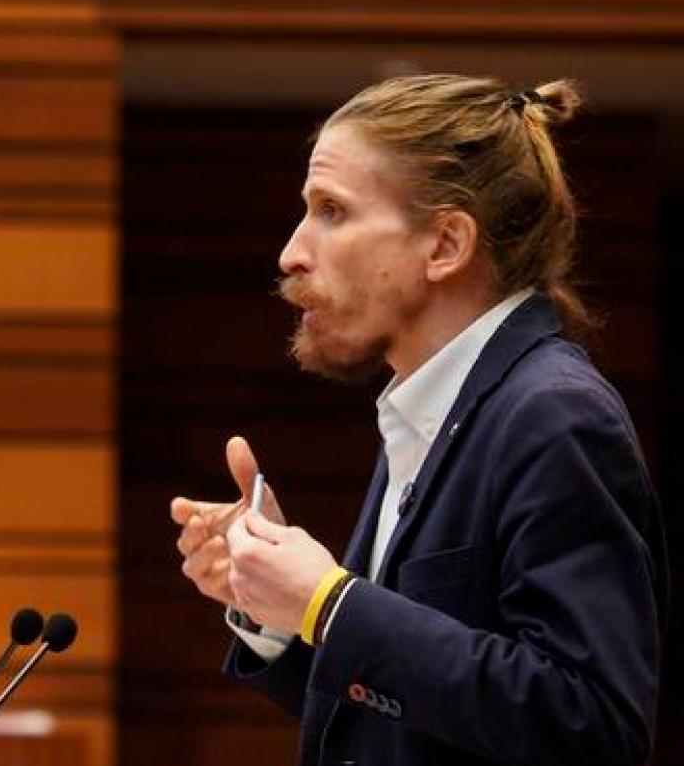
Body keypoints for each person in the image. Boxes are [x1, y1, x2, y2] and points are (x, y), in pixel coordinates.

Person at [171, 74, 669, 766]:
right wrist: (280, 610)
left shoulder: (552, 413)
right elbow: (401, 716)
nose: (292, 252)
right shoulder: (437, 403)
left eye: (331, 210)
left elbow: (589, 724)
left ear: (445, 245)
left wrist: (329, 603)